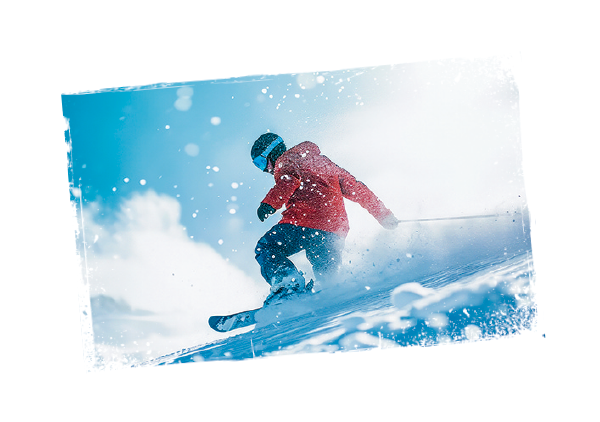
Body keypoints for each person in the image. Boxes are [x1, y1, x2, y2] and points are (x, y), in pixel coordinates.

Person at [251, 133, 399, 305]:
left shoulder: (286, 160)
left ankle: (287, 284)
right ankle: (329, 297)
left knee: (266, 247)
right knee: (328, 278)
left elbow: (288, 181)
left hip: (303, 223)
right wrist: (383, 214)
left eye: (261, 162)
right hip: (333, 231)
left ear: (271, 152)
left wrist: (269, 203)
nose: (264, 169)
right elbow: (357, 188)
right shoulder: (324, 163)